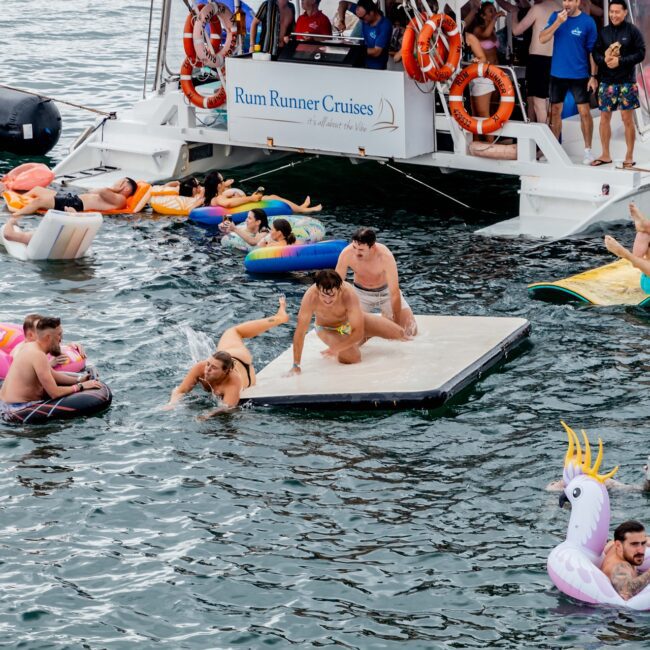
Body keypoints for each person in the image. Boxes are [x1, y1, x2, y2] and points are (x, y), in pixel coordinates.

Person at [165, 296, 289, 414]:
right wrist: (172, 404)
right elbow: (179, 391)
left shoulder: (233, 382)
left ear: (226, 371)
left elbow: (227, 408)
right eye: (208, 365)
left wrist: (207, 415)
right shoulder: (201, 368)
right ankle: (278, 317)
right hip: (229, 354)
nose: (207, 370)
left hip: (241, 360)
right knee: (232, 331)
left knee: (236, 333)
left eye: (213, 368)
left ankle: (280, 317)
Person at [289, 269, 408, 374]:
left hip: (349, 324)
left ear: (339, 289)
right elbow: (300, 332)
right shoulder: (310, 297)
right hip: (328, 329)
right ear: (318, 289)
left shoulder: (348, 294)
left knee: (400, 334)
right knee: (353, 357)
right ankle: (351, 343)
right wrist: (296, 365)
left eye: (331, 295)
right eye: (323, 295)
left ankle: (365, 338)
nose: (327, 300)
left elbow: (358, 331)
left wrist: (336, 348)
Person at [540, 0, 598, 165]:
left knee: (584, 112)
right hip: (557, 74)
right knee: (555, 112)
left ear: (578, 2)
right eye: (565, 0)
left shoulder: (588, 22)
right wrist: (558, 22)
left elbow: (592, 51)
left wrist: (593, 76)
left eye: (570, 0)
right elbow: (542, 38)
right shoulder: (555, 17)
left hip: (579, 75)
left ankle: (588, 151)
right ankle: (555, 149)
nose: (567, 3)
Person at [0, 317, 100, 409]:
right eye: (59, 335)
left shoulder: (30, 347)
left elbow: (53, 375)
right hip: (15, 408)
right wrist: (81, 386)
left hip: (5, 404)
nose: (61, 339)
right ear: (48, 337)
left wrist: (80, 379)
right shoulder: (38, 355)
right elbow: (54, 393)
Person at [591, 0, 646, 168]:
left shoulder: (633, 31)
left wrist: (620, 61)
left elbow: (641, 53)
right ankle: (605, 155)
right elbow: (595, 52)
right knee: (604, 119)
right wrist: (604, 61)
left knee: (626, 119)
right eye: (611, 12)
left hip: (626, 82)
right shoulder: (604, 32)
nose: (613, 15)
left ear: (625, 13)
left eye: (617, 12)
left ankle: (629, 156)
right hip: (606, 81)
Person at [335, 227, 417, 335]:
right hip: (361, 294)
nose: (356, 252)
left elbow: (394, 293)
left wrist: (396, 324)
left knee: (410, 331)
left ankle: (387, 318)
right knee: (346, 333)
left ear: (372, 247)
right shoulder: (347, 253)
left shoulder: (385, 256)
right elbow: (336, 284)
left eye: (361, 250)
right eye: (354, 247)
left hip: (386, 293)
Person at [503, 0, 561, 123]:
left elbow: (516, 30)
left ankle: (543, 140)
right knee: (550, 103)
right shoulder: (562, 8)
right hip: (558, 59)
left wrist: (514, 13)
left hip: (539, 59)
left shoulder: (538, 8)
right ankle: (552, 138)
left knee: (539, 104)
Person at [203, 170, 322, 214]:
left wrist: (227, 186)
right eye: (222, 181)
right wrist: (251, 198)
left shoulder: (213, 196)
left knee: (272, 196)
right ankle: (304, 210)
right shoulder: (218, 199)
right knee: (272, 198)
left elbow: (224, 196)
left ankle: (300, 207)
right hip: (248, 207)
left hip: (245, 203)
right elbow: (227, 204)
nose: (224, 182)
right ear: (218, 185)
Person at [10, 177, 138, 216]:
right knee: (38, 190)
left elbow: (102, 191)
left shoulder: (120, 199)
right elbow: (94, 190)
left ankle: (14, 215)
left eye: (119, 181)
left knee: (39, 201)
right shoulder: (113, 195)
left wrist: (115, 189)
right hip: (73, 198)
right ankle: (19, 201)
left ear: (125, 188)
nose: (115, 182)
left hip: (75, 204)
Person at [604, 202, 650, 294]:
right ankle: (645, 227)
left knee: (644, 234)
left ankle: (645, 227)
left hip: (646, 278)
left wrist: (624, 253)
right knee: (644, 234)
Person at [11, 313, 86, 368]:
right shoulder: (21, 350)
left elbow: (56, 346)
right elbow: (21, 372)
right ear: (30, 335)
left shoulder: (41, 345)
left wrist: (72, 347)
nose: (45, 331)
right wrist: (50, 364)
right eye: (40, 329)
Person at [600, 521, 650, 600]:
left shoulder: (613, 545)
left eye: (643, 543)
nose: (641, 550)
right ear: (619, 545)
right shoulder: (619, 567)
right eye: (634, 544)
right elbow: (626, 590)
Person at [355, 0, 392, 70]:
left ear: (371, 12)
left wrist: (356, 51)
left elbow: (376, 52)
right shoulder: (362, 13)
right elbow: (343, 3)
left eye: (362, 18)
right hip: (362, 63)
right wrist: (342, 19)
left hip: (376, 67)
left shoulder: (385, 25)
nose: (361, 20)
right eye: (359, 18)